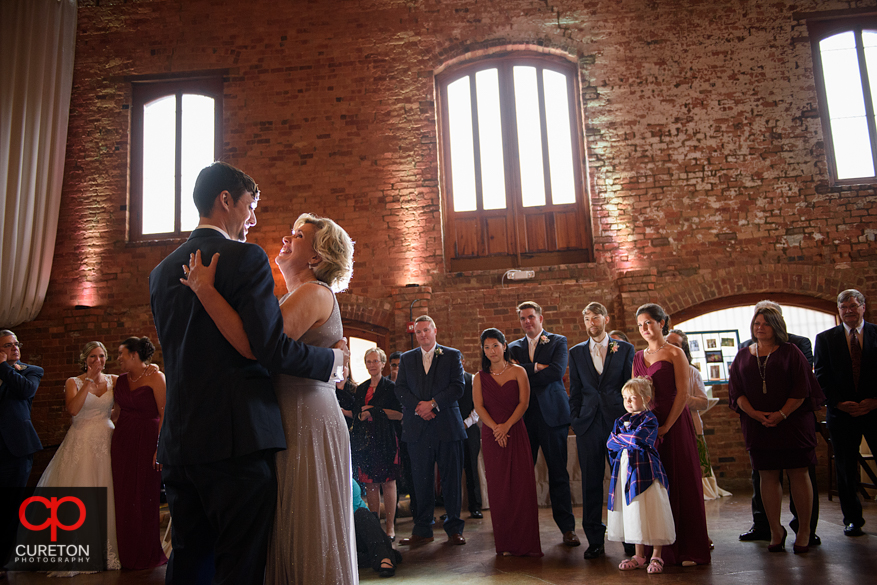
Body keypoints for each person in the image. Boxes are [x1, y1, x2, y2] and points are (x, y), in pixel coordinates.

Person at [150, 162, 346, 585]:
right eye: (250, 206)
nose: (253, 219)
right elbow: (267, 347)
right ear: (226, 201)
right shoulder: (245, 257)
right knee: (240, 566)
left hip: (181, 443)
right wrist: (331, 362)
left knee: (188, 562)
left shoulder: (160, 272)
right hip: (236, 440)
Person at [728, 305, 821, 553]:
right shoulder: (742, 355)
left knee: (798, 473)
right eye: (757, 323)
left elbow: (802, 389)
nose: (760, 327)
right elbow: (736, 392)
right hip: (758, 425)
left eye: (766, 324)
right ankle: (775, 529)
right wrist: (756, 415)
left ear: (777, 326)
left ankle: (803, 530)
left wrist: (781, 415)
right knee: (767, 475)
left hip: (792, 424)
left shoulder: (791, 352)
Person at [633, 303, 710, 566]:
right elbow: (635, 394)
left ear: (661, 323)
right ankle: (659, 549)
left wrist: (667, 426)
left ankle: (690, 548)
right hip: (649, 425)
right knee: (656, 488)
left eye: (649, 322)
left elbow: (683, 393)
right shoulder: (637, 357)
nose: (645, 328)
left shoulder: (675, 354)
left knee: (681, 481)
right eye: (640, 324)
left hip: (675, 423)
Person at [36, 341, 121, 573]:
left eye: (102, 356)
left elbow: (119, 409)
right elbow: (73, 410)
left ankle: (106, 549)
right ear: (85, 359)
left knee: (107, 488)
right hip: (81, 440)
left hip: (106, 439)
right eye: (93, 356)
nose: (98, 361)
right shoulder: (73, 382)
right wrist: (89, 382)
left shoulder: (114, 380)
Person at [508, 301, 580, 547]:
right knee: (524, 476)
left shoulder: (558, 341)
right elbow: (510, 376)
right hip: (524, 417)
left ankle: (567, 528)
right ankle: (525, 530)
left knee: (558, 473)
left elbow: (557, 372)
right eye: (523, 319)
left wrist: (525, 371)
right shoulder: (513, 347)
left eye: (531, 317)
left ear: (540, 317)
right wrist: (537, 368)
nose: (527, 322)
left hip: (553, 416)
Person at [568, 302, 634, 559]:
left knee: (623, 481)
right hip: (587, 425)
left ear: (605, 319)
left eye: (595, 318)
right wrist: (576, 417)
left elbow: (630, 387)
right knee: (591, 484)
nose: (591, 323)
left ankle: (630, 538)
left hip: (618, 423)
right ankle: (595, 540)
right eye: (587, 319)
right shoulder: (576, 353)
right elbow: (574, 390)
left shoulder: (625, 349)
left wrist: (629, 420)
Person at [395, 315, 467, 546]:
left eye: (426, 330)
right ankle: (423, 529)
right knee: (421, 480)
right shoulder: (407, 359)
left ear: (435, 330)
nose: (423, 335)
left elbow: (458, 386)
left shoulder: (451, 355)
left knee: (451, 479)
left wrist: (433, 404)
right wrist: (419, 407)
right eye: (419, 332)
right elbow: (401, 389)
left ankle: (454, 527)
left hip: (446, 425)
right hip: (418, 428)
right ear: (415, 334)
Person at [473, 328, 542, 557]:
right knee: (499, 488)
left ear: (504, 345)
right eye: (487, 347)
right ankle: (505, 543)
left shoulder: (519, 371)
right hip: (492, 436)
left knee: (521, 486)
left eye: (495, 345)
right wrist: (495, 428)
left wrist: (506, 426)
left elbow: (523, 403)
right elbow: (479, 407)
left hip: (516, 431)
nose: (492, 351)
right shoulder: (479, 377)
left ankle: (526, 542)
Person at [815, 289, 877, 538]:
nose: (848, 311)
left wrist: (874, 402)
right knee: (845, 469)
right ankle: (852, 519)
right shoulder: (826, 338)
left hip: (875, 410)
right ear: (839, 311)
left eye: (853, 306)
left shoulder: (875, 333)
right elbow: (820, 375)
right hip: (842, 413)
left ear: (863, 307)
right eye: (843, 307)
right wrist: (837, 403)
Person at [608, 377, 676, 574]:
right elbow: (610, 444)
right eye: (625, 398)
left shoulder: (649, 419)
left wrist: (621, 438)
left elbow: (640, 439)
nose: (628, 402)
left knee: (652, 507)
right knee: (634, 510)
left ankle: (656, 554)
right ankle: (639, 555)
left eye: (633, 397)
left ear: (646, 398)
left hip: (646, 469)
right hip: (626, 470)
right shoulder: (620, 420)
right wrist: (623, 439)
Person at [112, 336, 168, 570]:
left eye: (121, 354)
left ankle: (145, 552)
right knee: (123, 498)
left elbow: (165, 415)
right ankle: (124, 552)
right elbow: (115, 414)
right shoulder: (120, 380)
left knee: (145, 497)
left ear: (134, 355)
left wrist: (160, 447)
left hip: (147, 443)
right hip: (122, 443)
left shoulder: (157, 377)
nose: (118, 359)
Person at [666, 329, 730, 504]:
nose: (671, 347)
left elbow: (703, 402)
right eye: (668, 343)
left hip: (690, 426)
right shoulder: (658, 369)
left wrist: (682, 399)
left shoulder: (692, 372)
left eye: (676, 344)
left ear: (684, 350)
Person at [0, 330, 44, 575]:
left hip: (17, 449)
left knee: (11, 505)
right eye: (8, 344)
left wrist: (3, 367)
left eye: (17, 343)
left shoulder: (30, 371)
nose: (15, 347)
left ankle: (4, 561)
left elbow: (25, 391)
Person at [351, 347, 402, 540]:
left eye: (376, 361)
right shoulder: (361, 388)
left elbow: (399, 414)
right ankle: (376, 528)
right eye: (369, 361)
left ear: (383, 364)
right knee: (370, 484)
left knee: (388, 483)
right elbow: (357, 413)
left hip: (386, 439)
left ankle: (390, 527)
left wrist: (374, 410)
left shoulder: (390, 387)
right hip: (366, 440)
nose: (372, 365)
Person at [353, 477, 402, 578]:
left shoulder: (346, 481)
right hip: (349, 544)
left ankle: (384, 557)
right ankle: (387, 553)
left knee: (362, 513)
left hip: (366, 534)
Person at [458, 354, 483, 519]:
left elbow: (479, 406)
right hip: (451, 432)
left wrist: (465, 424)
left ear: (463, 361)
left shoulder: (472, 379)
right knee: (452, 470)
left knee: (471, 468)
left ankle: (475, 506)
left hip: (470, 429)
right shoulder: (446, 382)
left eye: (458, 361)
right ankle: (452, 508)